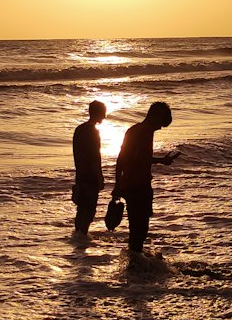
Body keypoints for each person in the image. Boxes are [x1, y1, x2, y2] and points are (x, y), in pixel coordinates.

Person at [111, 101, 178, 260]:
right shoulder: (146, 132)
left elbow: (121, 159)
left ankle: (134, 260)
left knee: (135, 226)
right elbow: (140, 158)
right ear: (155, 117)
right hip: (139, 185)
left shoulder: (132, 130)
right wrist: (161, 161)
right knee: (140, 227)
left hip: (127, 184)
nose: (160, 128)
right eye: (161, 123)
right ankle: (135, 263)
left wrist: (117, 184)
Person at [71, 100, 107, 235]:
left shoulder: (79, 129)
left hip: (80, 174)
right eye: (103, 113)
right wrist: (99, 177)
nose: (105, 116)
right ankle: (82, 236)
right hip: (90, 176)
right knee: (89, 210)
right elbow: (94, 157)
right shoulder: (93, 131)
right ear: (98, 113)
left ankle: (78, 236)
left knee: (81, 209)